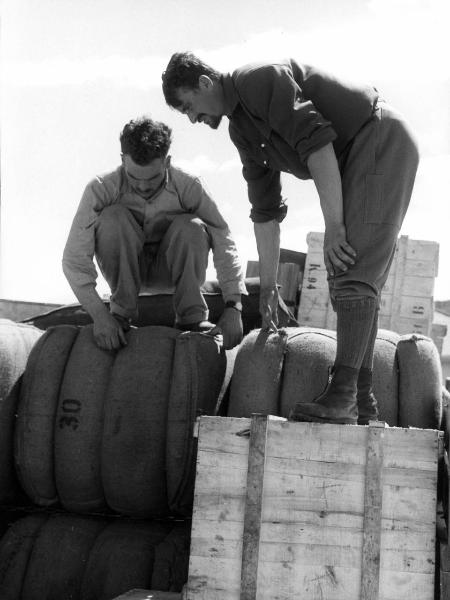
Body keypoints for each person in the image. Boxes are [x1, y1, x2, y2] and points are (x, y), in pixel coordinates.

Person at [161, 52, 419, 425]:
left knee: (350, 268)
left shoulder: (257, 80)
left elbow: (317, 145)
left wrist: (334, 228)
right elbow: (265, 212)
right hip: (355, 158)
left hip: (378, 138)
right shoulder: (241, 131)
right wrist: (268, 288)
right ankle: (360, 403)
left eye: (189, 106)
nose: (192, 118)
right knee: (349, 276)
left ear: (204, 83)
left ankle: (344, 396)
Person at [63, 116, 246, 351]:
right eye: (133, 178)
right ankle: (120, 314)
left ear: (167, 162)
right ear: (122, 161)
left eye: (152, 178)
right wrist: (100, 317)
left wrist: (234, 307)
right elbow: (74, 260)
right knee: (112, 217)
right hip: (125, 272)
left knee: (191, 225)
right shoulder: (100, 189)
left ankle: (191, 317)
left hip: (171, 270)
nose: (142, 186)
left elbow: (223, 239)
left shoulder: (189, 186)